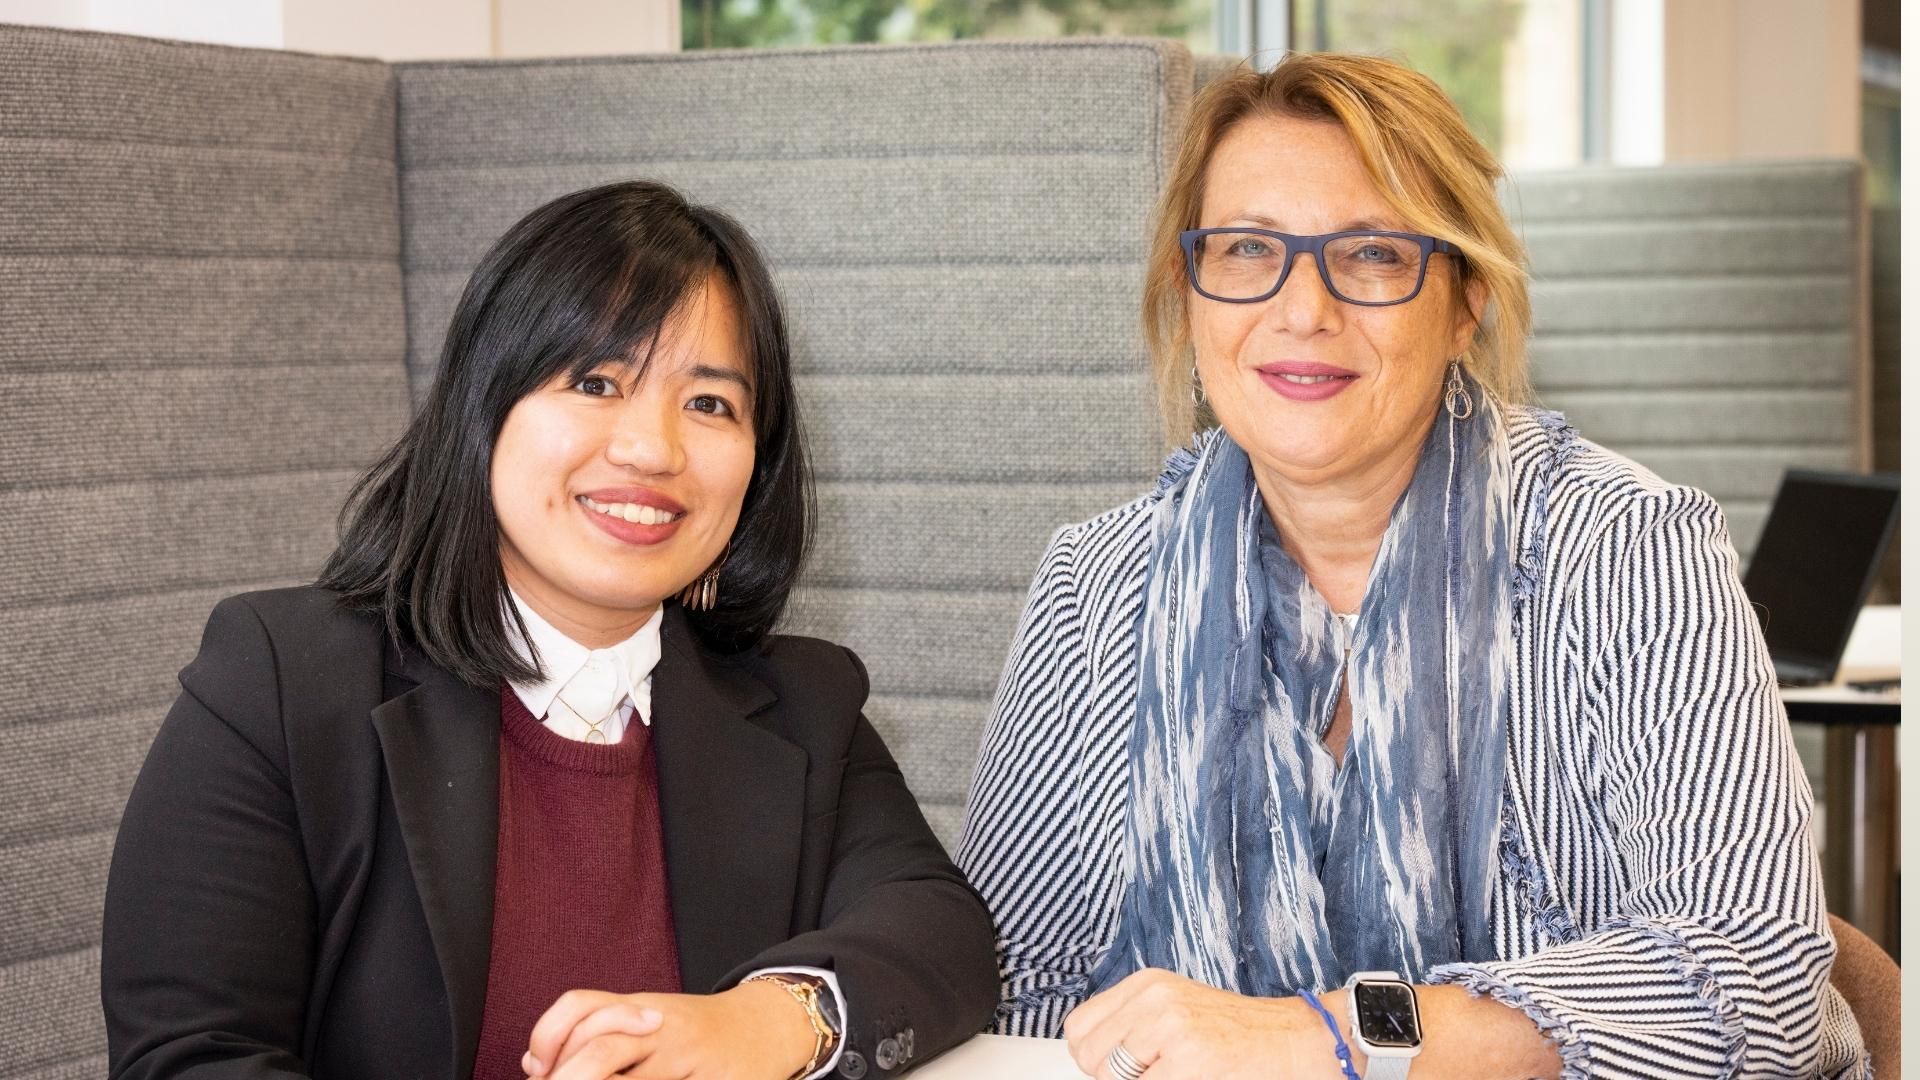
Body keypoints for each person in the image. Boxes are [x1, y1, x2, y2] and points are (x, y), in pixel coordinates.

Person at [957, 54, 1866, 1080]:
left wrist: (1334, 1038)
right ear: (1189, 286)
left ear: (1466, 296)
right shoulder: (1100, 583)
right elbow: (1010, 985)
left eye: (1375, 255)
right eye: (1250, 249)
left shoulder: (1628, 552)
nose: (1303, 310)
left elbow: (1756, 984)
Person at [102, 180, 998, 1080]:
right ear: (483, 409)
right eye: (596, 382)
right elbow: (187, 1056)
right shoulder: (283, 682)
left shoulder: (806, 703)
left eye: (710, 404)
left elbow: (943, 935)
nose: (653, 450)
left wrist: (769, 1021)